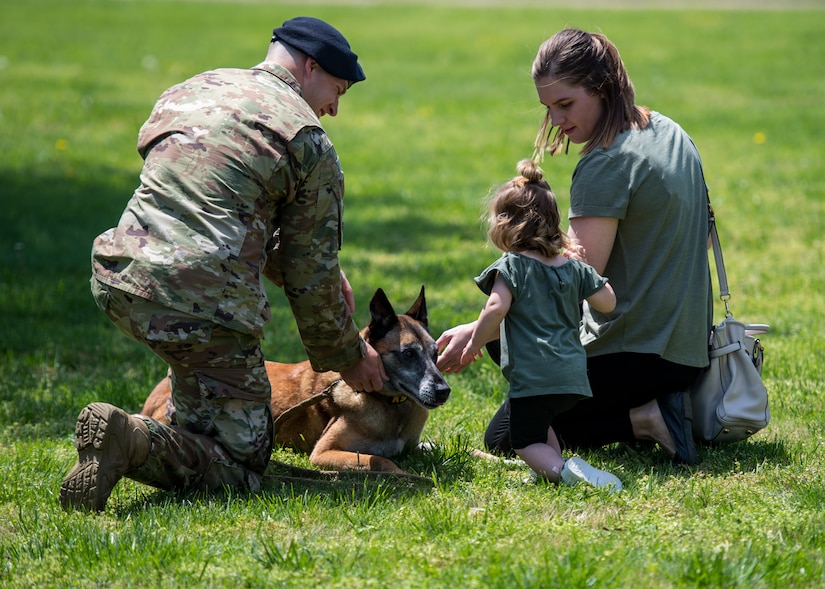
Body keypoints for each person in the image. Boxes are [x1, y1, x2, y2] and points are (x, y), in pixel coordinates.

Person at [60, 16, 387, 512]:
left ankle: (155, 428)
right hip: (203, 305)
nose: (334, 109)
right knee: (241, 464)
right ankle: (129, 439)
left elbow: (211, 203)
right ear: (310, 66)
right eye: (336, 90)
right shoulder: (307, 139)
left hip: (121, 278)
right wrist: (349, 357)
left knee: (206, 392)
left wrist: (286, 264)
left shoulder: (190, 90)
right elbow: (311, 278)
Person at [437, 28, 712, 466]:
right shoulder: (669, 131)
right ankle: (667, 407)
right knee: (504, 343)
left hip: (638, 354)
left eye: (566, 104)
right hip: (689, 350)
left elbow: (565, 285)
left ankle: (647, 418)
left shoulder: (605, 160)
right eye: (548, 107)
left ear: (602, 88)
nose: (557, 120)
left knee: (508, 434)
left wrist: (477, 330)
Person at [460, 159, 621, 490]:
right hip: (572, 375)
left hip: (534, 373)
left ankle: (566, 472)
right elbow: (608, 302)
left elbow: (495, 306)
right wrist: (585, 275)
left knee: (523, 439)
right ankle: (548, 467)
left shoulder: (512, 266)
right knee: (541, 422)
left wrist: (473, 343)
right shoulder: (572, 267)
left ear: (505, 225)